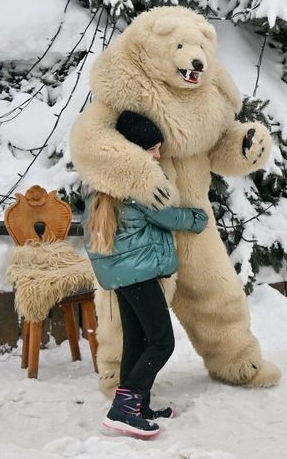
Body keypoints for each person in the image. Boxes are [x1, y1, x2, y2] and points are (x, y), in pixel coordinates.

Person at [83, 110, 208, 439]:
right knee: (161, 341)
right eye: (151, 149)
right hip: (137, 274)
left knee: (138, 342)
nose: (157, 155)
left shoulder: (111, 180)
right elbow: (167, 216)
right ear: (134, 152)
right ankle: (123, 409)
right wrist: (200, 218)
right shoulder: (138, 184)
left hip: (124, 274)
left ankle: (138, 404)